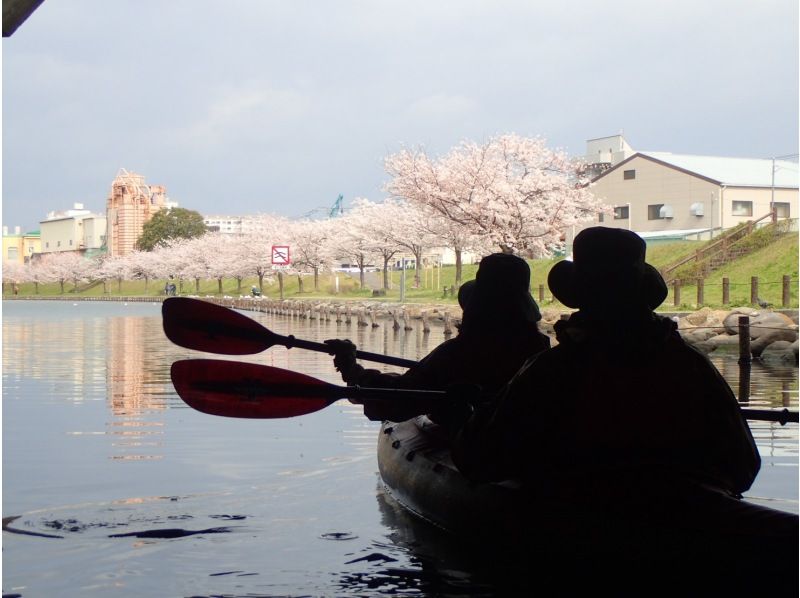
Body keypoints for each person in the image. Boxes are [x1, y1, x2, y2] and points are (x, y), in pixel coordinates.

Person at [452, 227, 763, 503]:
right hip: (685, 522)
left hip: (570, 528)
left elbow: (478, 459)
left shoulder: (553, 369)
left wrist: (466, 416)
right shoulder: (691, 365)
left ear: (580, 294)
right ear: (642, 292)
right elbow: (743, 467)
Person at [325, 253, 550, 423]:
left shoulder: (458, 354)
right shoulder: (543, 350)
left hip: (478, 453)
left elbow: (397, 401)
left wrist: (351, 367)